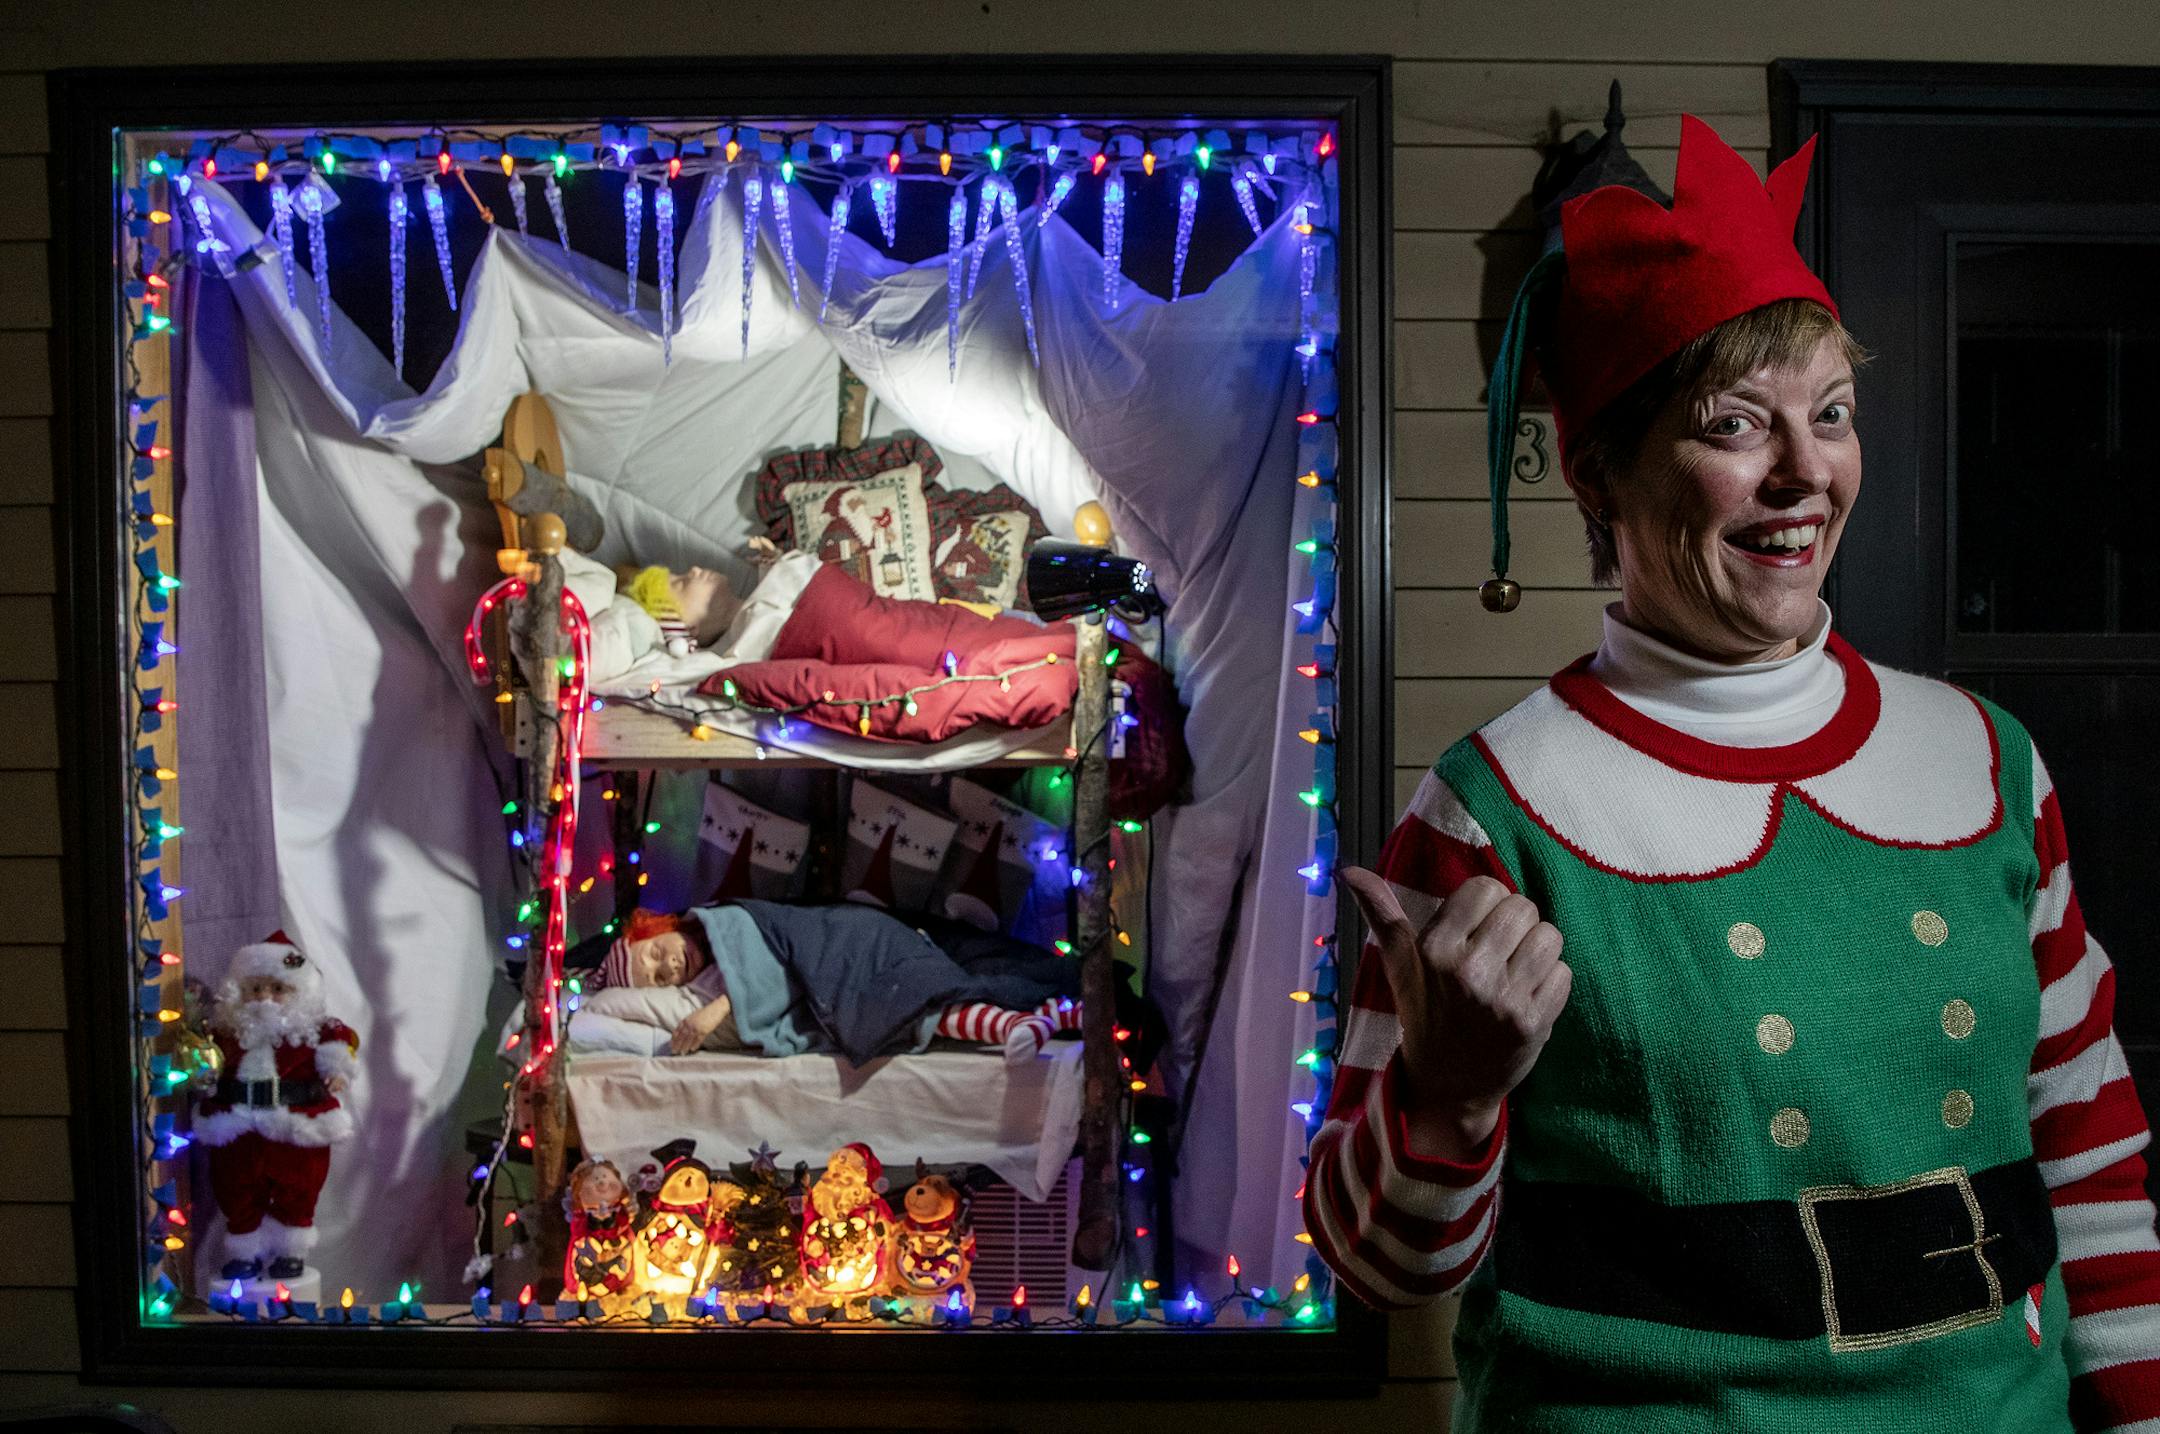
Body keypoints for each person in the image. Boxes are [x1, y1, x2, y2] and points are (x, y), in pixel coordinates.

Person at [1302, 112, 2160, 1429]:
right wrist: (1450, 1089)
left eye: (1832, 414)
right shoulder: (1495, 810)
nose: (1806, 470)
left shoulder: (1989, 761)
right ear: (1604, 478)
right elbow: (1379, 1263)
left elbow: (2089, 1136)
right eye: (1737, 424)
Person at [592, 906, 1080, 1065]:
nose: (670, 966)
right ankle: (1032, 1019)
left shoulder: (727, 918)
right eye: (659, 978)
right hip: (832, 987)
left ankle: (1037, 1009)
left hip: (853, 941)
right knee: (917, 1014)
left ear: (660, 928)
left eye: (657, 952)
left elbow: (788, 952)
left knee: (909, 991)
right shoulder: (701, 982)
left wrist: (718, 1009)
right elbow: (777, 1003)